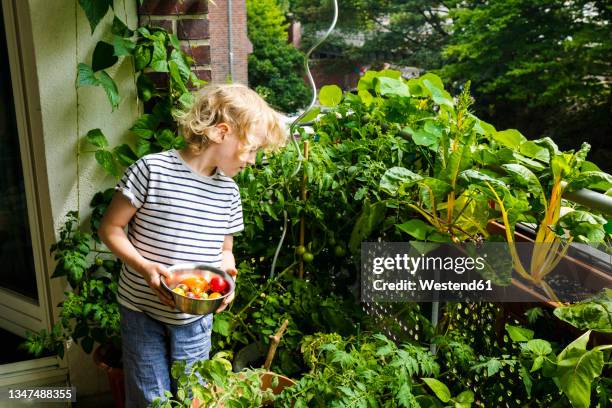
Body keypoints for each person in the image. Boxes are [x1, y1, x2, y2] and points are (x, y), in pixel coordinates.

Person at [98, 83, 287, 407]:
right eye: (252, 149)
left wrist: (228, 273)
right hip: (142, 309)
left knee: (192, 395)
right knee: (149, 399)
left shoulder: (229, 193)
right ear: (221, 133)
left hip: (196, 318)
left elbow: (225, 250)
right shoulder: (151, 171)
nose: (253, 161)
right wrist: (145, 267)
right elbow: (110, 229)